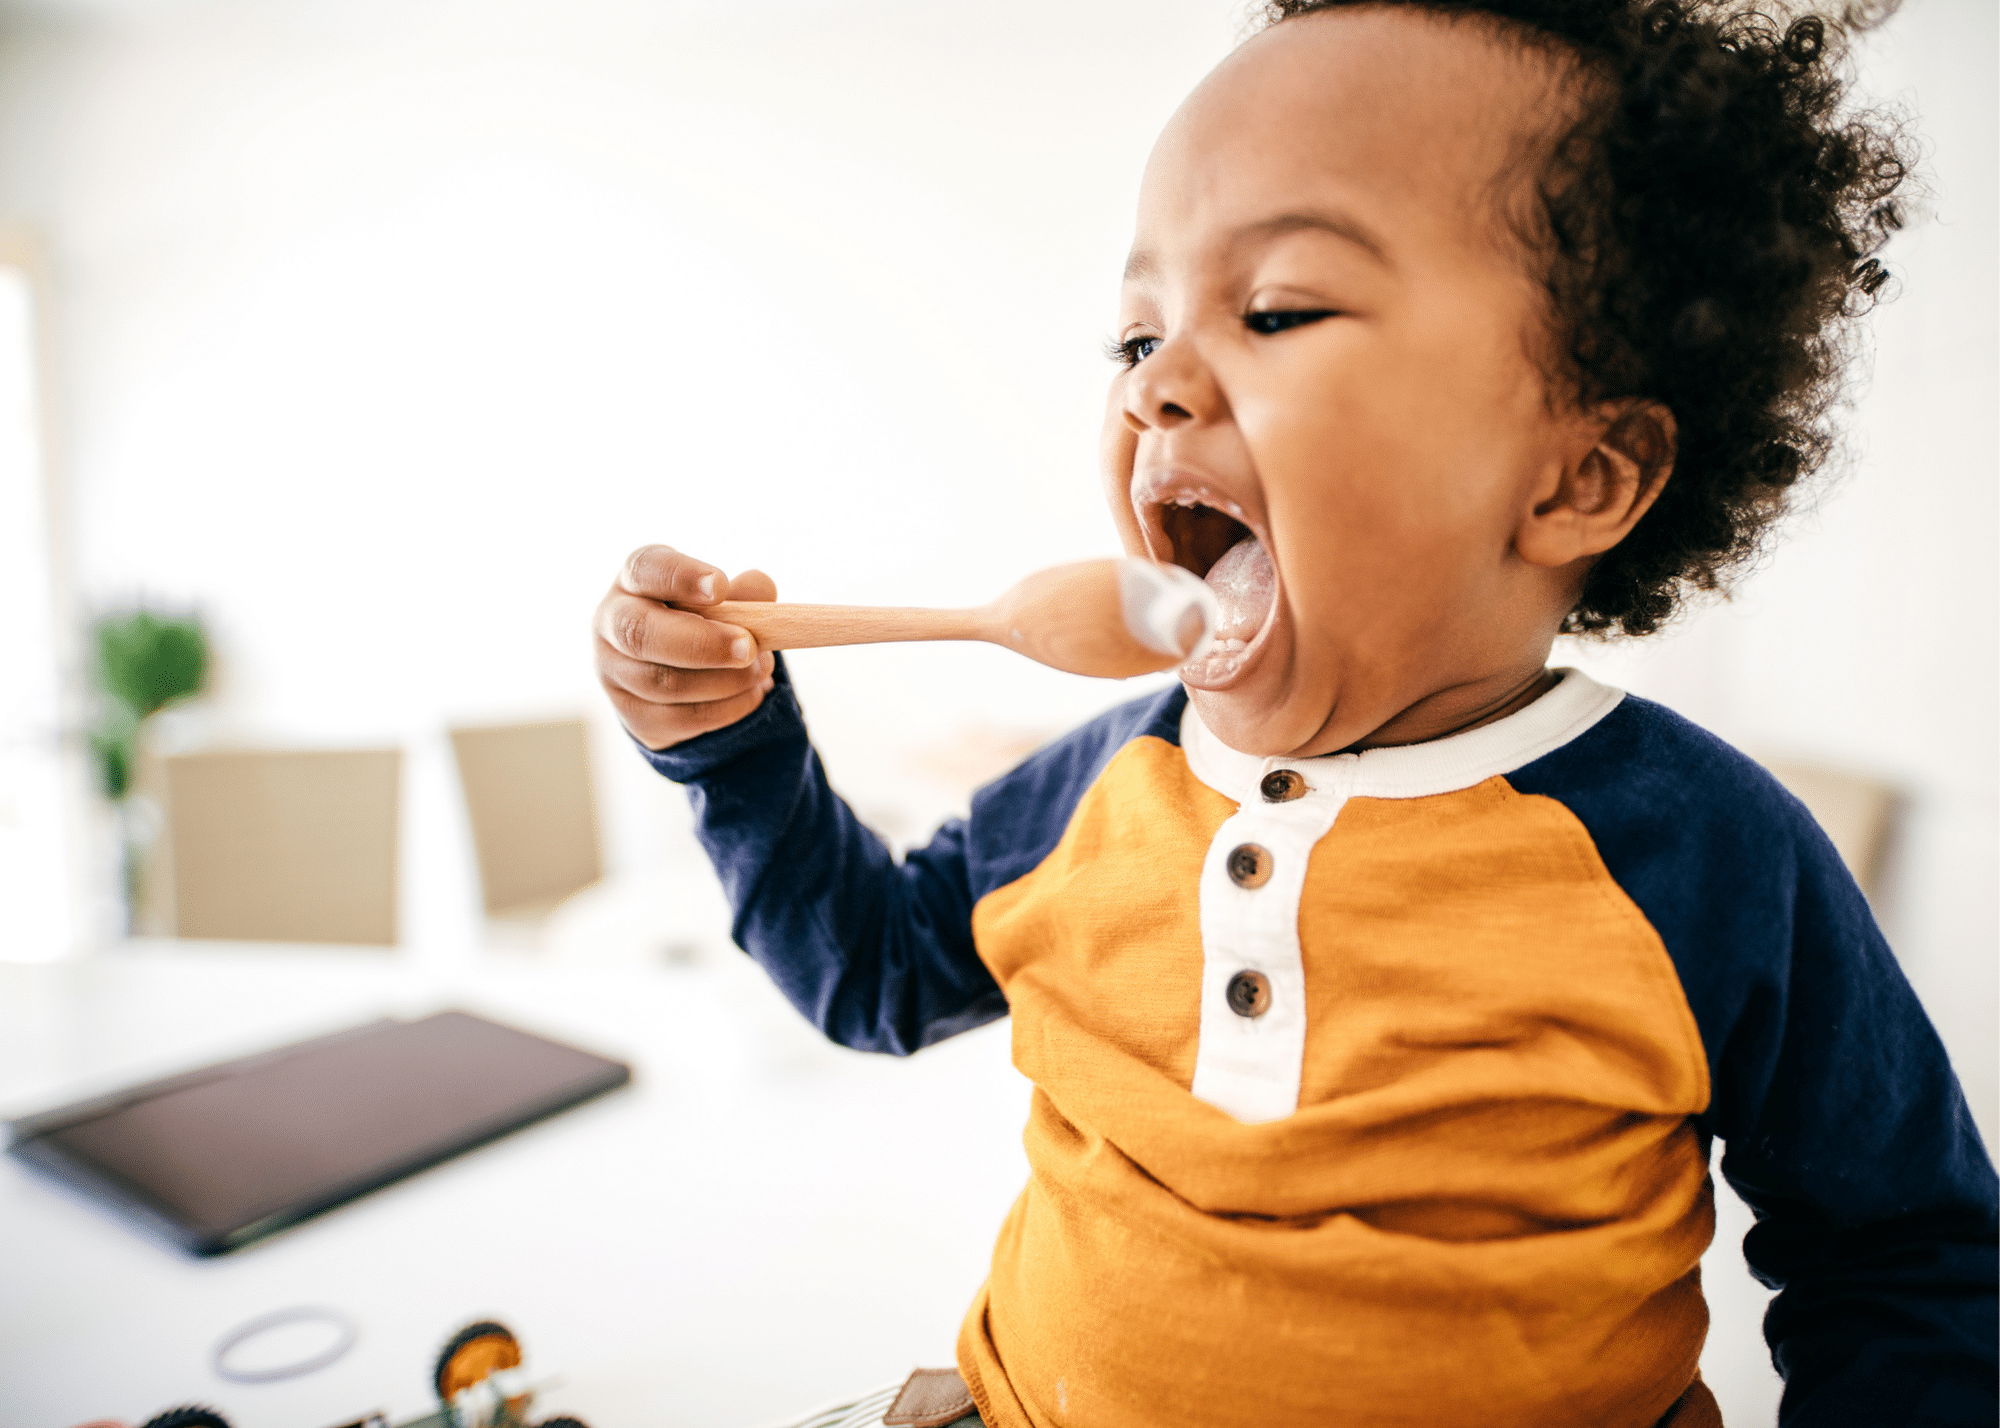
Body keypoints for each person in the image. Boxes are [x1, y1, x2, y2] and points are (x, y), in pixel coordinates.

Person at [591, 2, 1997, 1424]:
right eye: (1134, 334)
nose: (1156, 384)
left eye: (1277, 310)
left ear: (1581, 478)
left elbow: (1908, 1262)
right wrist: (733, 749)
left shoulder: (1703, 857)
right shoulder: (1098, 787)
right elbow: (873, 976)